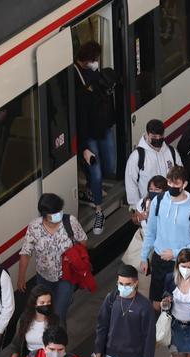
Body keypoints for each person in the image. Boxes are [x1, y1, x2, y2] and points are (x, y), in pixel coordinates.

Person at [16, 193, 89, 320]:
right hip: (43, 278)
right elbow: (26, 253)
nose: (59, 215)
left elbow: (83, 241)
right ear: (45, 215)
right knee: (44, 313)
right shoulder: (34, 227)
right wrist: (21, 277)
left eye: (60, 211)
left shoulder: (70, 221)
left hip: (66, 277)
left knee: (59, 315)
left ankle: (57, 339)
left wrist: (74, 256)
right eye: (55, 213)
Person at [73, 41, 120, 235]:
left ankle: (93, 187)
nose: (96, 62)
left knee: (110, 165)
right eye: (94, 60)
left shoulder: (99, 78)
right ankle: (98, 209)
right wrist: (84, 147)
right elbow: (80, 119)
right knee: (97, 172)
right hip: (89, 136)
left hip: (103, 130)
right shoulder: (79, 83)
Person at [141, 166, 190, 304]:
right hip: (159, 261)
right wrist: (144, 256)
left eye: (176, 183)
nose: (172, 186)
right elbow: (151, 231)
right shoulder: (158, 201)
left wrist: (176, 253)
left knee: (178, 305)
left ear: (185, 184)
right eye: (169, 182)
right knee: (157, 304)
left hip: (182, 265)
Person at [125, 119, 183, 220]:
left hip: (170, 208)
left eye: (160, 137)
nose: (158, 139)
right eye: (154, 137)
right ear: (147, 135)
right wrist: (136, 208)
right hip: (147, 211)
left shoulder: (171, 152)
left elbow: (180, 175)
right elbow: (131, 183)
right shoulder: (137, 156)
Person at [5, 286, 59, 357]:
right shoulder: (25, 320)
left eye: (48, 303)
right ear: (34, 304)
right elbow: (16, 344)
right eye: (42, 303)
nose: (46, 306)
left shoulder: (55, 321)